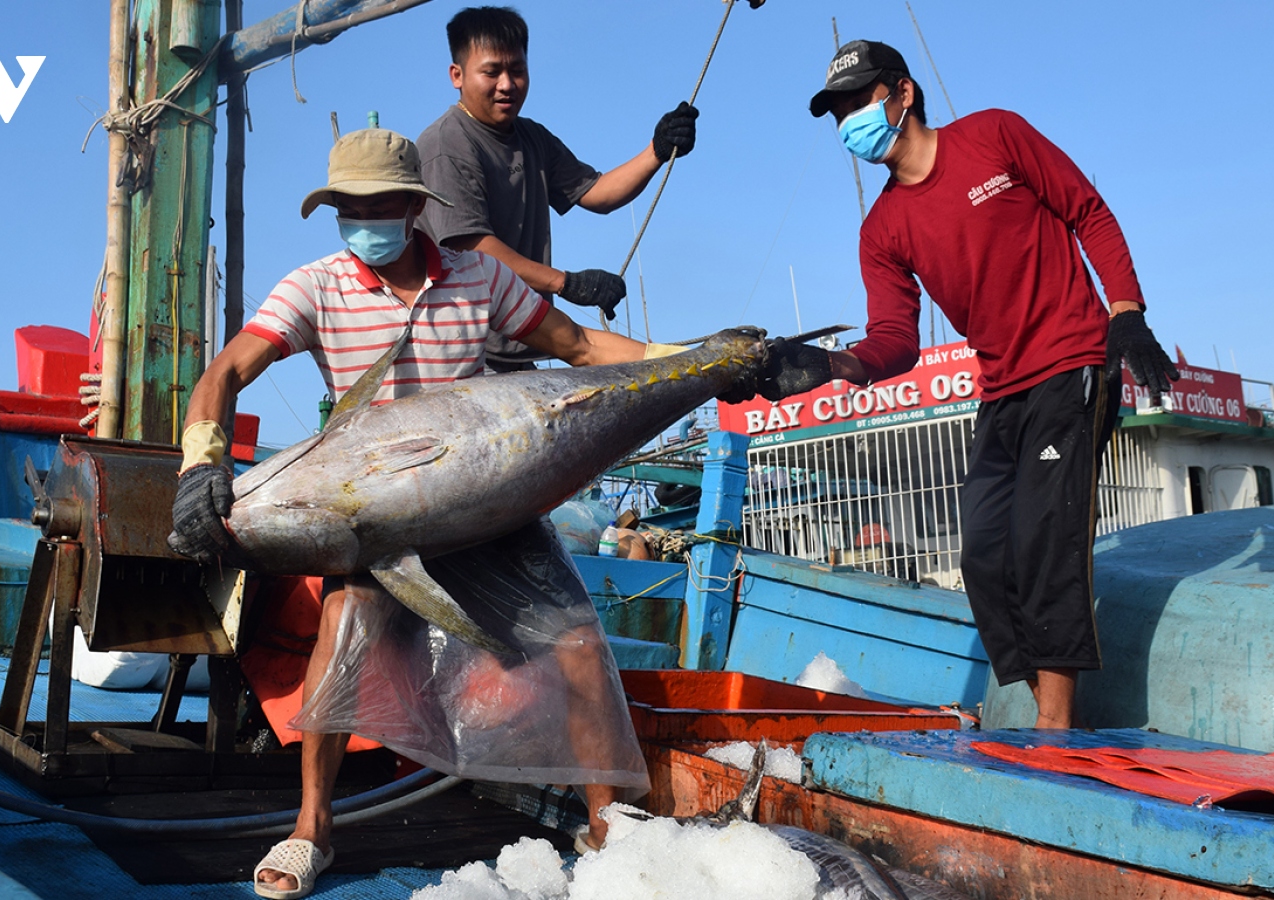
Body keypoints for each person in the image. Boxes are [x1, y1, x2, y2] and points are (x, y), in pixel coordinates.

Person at [168, 129, 681, 898]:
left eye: (374, 206)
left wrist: (701, 360)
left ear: (413, 207)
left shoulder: (478, 278)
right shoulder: (315, 286)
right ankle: (314, 828)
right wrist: (202, 459)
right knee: (342, 634)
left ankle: (607, 825)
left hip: (481, 506)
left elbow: (576, 346)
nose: (358, 220)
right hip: (376, 518)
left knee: (578, 644)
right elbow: (228, 370)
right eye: (345, 207)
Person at [755, 40, 1179, 730]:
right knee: (983, 556)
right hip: (1003, 386)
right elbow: (895, 340)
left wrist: (1126, 313)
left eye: (858, 101)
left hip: (1072, 359)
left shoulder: (994, 136)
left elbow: (1088, 211)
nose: (849, 123)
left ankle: (1055, 731)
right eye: (837, 112)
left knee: (1045, 537)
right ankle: (1049, 715)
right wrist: (834, 366)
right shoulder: (881, 229)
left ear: (903, 93)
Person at [415, 6, 699, 370]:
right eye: (492, 72)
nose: (506, 84)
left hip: (521, 345)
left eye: (517, 70)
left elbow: (597, 193)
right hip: (464, 357)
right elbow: (473, 248)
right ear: (457, 75)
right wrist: (567, 283)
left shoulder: (532, 136)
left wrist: (657, 151)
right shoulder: (446, 144)